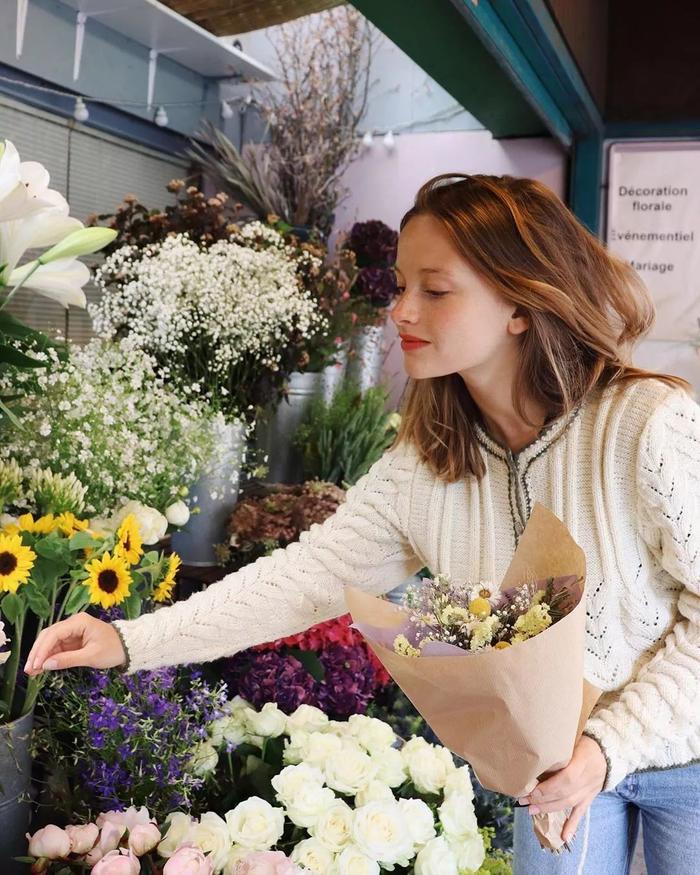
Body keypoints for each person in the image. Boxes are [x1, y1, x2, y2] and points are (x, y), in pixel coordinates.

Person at [24, 174, 700, 874]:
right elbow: (307, 578)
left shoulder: (645, 425)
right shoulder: (429, 462)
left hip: (686, 743)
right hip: (551, 763)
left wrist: (611, 743)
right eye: (402, 285)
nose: (401, 311)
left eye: (434, 290)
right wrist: (128, 639)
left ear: (521, 305)